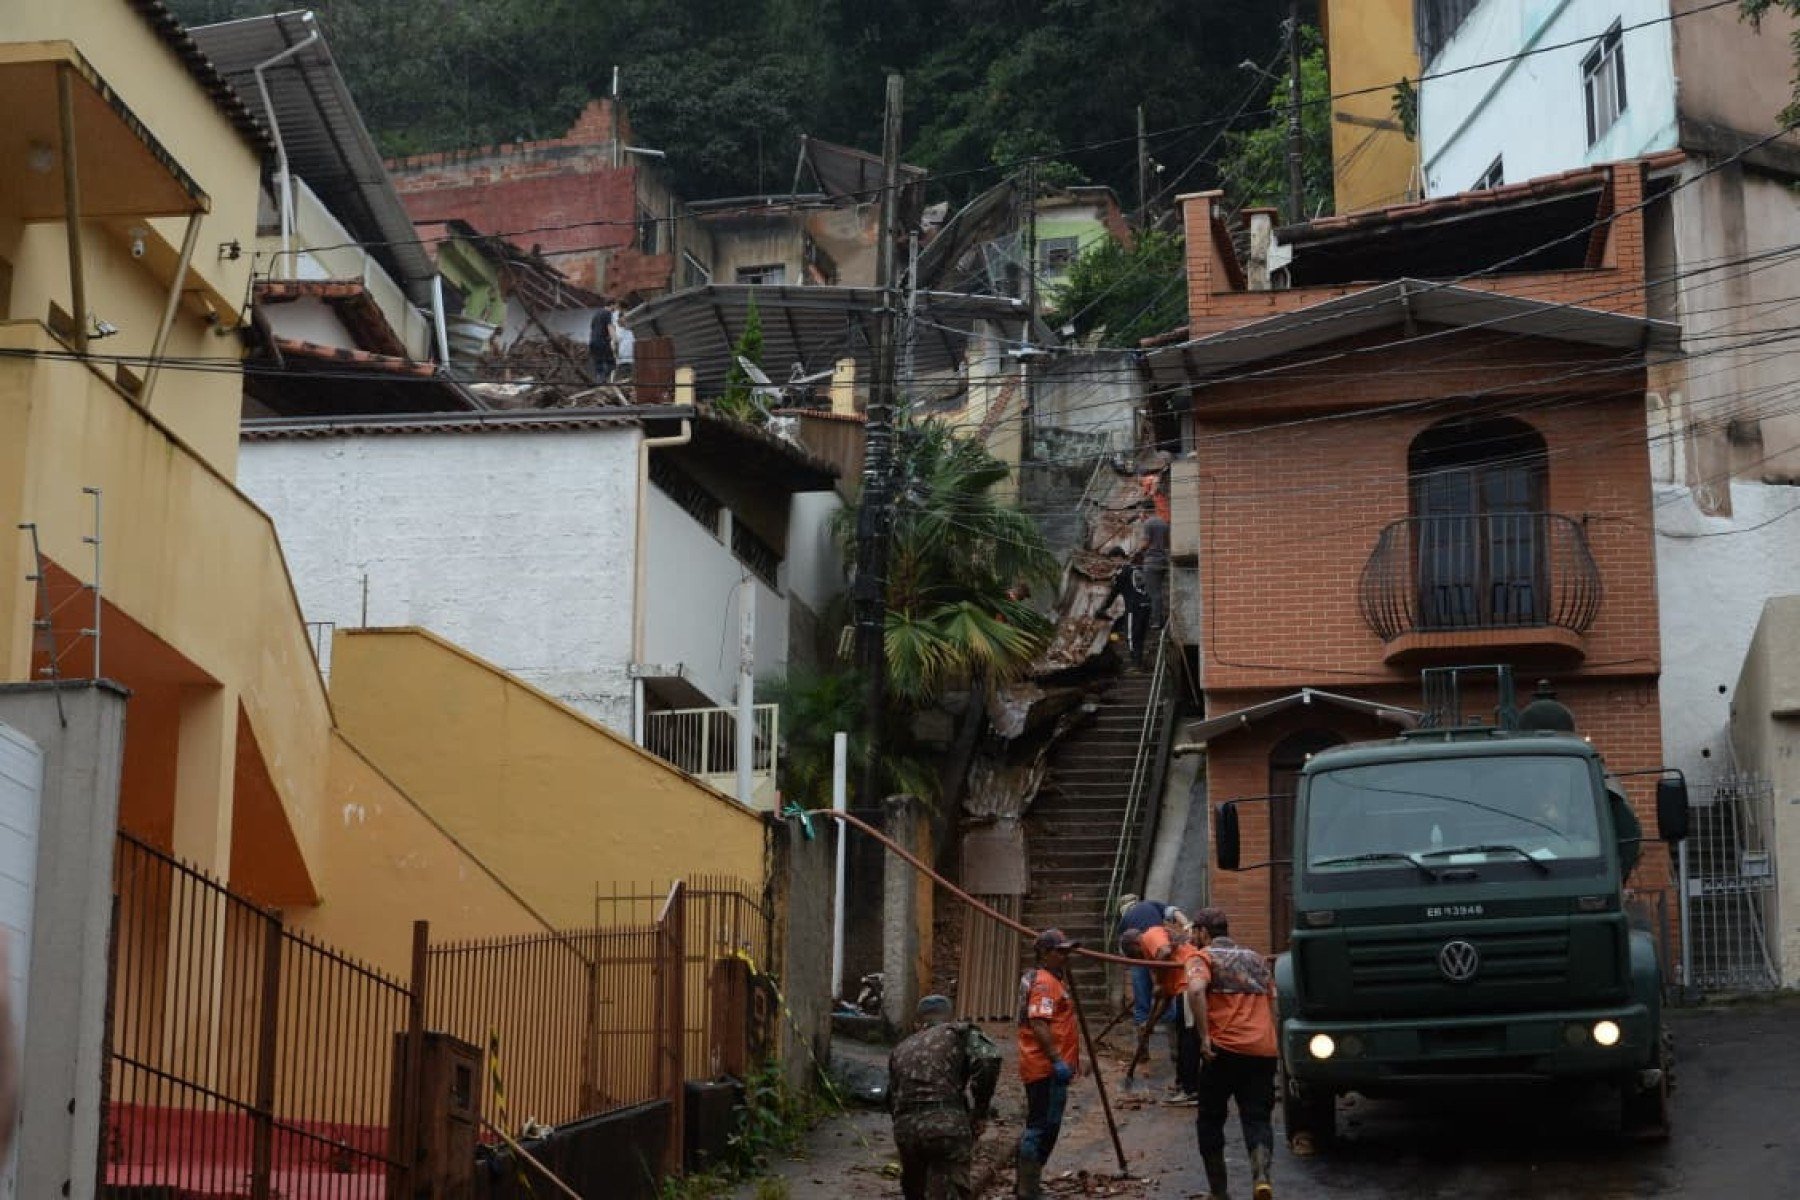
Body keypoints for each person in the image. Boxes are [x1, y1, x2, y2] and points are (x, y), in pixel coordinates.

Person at [1185, 907, 1279, 1200]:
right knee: (1257, 1117)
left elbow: (1196, 990)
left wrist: (1204, 1037)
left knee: (1210, 1119)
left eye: (1195, 932)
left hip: (1224, 1050)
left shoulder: (1203, 958)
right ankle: (1261, 1177)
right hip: (1262, 1050)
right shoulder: (1255, 959)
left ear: (1203, 932)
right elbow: (1273, 1002)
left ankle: (1219, 1192)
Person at [887, 993, 1001, 1200]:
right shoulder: (958, 1032)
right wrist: (980, 1111)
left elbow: (891, 1096)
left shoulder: (901, 1047)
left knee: (916, 1191)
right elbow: (988, 1058)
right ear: (950, 1016)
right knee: (950, 1189)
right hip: (946, 1125)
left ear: (918, 1021)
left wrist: (904, 1123)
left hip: (906, 1129)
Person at [1016, 929, 1081, 1200]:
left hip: (1051, 1066)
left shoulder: (1053, 979)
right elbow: (1039, 1023)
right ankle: (1027, 1189)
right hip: (1043, 1067)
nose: (1064, 956)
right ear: (1044, 953)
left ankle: (1028, 1182)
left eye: (1067, 951)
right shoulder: (1044, 983)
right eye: (1059, 951)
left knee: (1048, 1125)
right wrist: (1056, 1059)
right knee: (1041, 1126)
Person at [1122, 927, 1202, 1104]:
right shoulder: (1159, 961)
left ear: (1136, 944)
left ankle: (1191, 1090)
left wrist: (1157, 982)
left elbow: (1165, 951)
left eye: (1137, 955)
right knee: (1183, 1039)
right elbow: (1165, 999)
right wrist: (1151, 1023)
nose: (1140, 960)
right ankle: (1183, 1084)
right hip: (1183, 989)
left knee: (1188, 1040)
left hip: (1189, 985)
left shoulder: (1151, 935)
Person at [1100, 548, 1152, 668]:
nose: (1113, 564)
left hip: (1134, 607)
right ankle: (1138, 661)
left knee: (1131, 635)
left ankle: (1135, 663)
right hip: (1146, 605)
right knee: (1141, 635)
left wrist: (1103, 608)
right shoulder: (1136, 568)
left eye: (1113, 560)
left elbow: (1114, 593)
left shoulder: (1122, 573)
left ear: (1119, 557)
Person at [588, 298, 616, 384]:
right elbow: (610, 327)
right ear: (611, 305)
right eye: (614, 306)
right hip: (602, 341)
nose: (615, 308)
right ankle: (604, 380)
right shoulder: (607, 313)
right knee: (612, 364)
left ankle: (599, 381)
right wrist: (615, 340)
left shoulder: (596, 314)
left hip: (593, 342)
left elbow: (592, 327)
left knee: (598, 363)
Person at [613, 310, 636, 390]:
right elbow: (615, 344)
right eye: (623, 317)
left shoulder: (632, 329)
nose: (625, 319)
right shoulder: (617, 330)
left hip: (632, 359)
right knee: (620, 382)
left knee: (631, 381)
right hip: (622, 360)